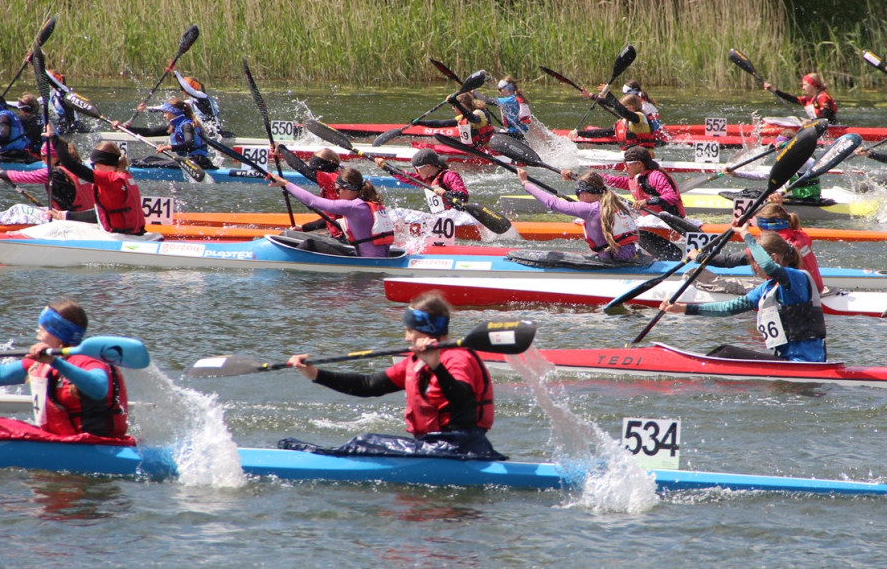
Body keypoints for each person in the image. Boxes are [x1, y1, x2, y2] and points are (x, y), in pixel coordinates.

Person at [281, 291, 504, 460]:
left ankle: (311, 457)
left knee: (364, 441)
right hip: (435, 446)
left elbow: (464, 399)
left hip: (462, 447)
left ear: (425, 330)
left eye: (410, 331)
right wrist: (315, 374)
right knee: (365, 441)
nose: (407, 338)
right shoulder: (417, 361)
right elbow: (369, 385)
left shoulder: (457, 358)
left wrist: (436, 366)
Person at [0, 299, 130, 438]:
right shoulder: (43, 360)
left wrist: (55, 362)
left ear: (57, 332)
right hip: (62, 439)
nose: (38, 329)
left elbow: (99, 388)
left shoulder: (89, 360)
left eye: (44, 326)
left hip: (94, 442)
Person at [660, 232, 827, 362]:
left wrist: (746, 234)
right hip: (786, 360)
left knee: (725, 353)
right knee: (723, 351)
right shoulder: (767, 289)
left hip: (805, 362)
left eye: (753, 261)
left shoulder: (797, 277)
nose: (751, 267)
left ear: (774, 258)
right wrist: (684, 308)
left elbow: (768, 266)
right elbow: (728, 308)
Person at [692, 203, 824, 294]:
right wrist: (779, 205)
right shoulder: (801, 234)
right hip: (816, 289)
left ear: (766, 227)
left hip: (793, 295)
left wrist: (697, 256)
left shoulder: (771, 245)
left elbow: (729, 261)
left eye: (759, 227)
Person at [517, 168, 640, 262]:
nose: (577, 197)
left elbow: (553, 203)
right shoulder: (614, 202)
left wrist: (525, 183)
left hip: (612, 259)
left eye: (579, 192)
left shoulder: (590, 208)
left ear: (587, 192)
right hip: (629, 252)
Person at [268, 166, 394, 258]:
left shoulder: (353, 206)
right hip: (376, 258)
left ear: (350, 189)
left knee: (309, 244)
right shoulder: (371, 204)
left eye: (338, 190)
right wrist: (305, 227)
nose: (337, 195)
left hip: (366, 262)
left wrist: (285, 183)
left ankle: (284, 263)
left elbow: (312, 201)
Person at [51, 141, 147, 235]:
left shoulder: (110, 180)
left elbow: (71, 165)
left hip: (120, 235)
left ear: (104, 163)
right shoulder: (125, 175)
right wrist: (65, 215)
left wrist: (54, 138)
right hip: (135, 232)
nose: (94, 168)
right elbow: (99, 214)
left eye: (94, 165)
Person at [0, 135, 96, 214]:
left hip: (69, 220)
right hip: (88, 216)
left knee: (18, 209)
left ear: (55, 156)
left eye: (43, 156)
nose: (41, 159)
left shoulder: (53, 172)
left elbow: (19, 176)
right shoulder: (82, 168)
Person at [572, 146, 685, 218]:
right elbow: (611, 180)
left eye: (627, 165)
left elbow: (671, 197)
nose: (625, 169)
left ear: (639, 164)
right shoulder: (636, 179)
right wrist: (578, 176)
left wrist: (646, 201)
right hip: (652, 220)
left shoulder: (655, 176)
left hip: (670, 221)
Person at [121, 97, 216, 170]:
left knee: (140, 164)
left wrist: (168, 147)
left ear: (174, 112)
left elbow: (189, 143)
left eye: (166, 112)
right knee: (147, 159)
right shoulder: (175, 126)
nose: (164, 115)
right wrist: (125, 128)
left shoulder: (187, 125)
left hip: (198, 162)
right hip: (188, 161)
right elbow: (148, 132)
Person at [379, 148, 469, 214]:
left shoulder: (449, 176)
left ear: (428, 166)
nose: (416, 172)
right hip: (439, 217)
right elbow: (405, 176)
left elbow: (464, 195)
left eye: (417, 169)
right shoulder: (426, 178)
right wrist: (384, 165)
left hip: (456, 216)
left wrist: (447, 193)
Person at [575, 90, 656, 154]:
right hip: (630, 156)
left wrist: (609, 95)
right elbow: (602, 133)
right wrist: (579, 133)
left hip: (643, 157)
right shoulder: (623, 122)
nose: (618, 110)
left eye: (622, 107)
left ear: (631, 108)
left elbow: (623, 111)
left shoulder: (640, 117)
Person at [295, 148, 345, 238]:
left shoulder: (331, 180)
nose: (315, 173)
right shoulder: (337, 178)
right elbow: (329, 219)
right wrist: (304, 228)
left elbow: (300, 167)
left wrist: (280, 148)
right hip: (338, 234)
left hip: (344, 238)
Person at [420, 93, 494, 152]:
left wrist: (456, 102)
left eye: (454, 105)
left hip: (487, 150)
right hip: (475, 150)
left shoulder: (479, 113)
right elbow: (441, 123)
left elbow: (473, 119)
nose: (453, 108)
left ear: (462, 105)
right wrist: (419, 123)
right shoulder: (463, 117)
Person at [763, 73, 837, 124]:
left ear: (813, 85)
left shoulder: (822, 97)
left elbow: (826, 117)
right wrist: (774, 90)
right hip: (817, 124)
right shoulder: (809, 99)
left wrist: (811, 121)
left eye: (805, 85)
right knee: (792, 118)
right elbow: (792, 98)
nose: (803, 88)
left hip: (829, 127)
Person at [175, 72, 223, 138]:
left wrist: (176, 73)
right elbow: (170, 107)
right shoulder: (190, 100)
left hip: (214, 131)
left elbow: (188, 89)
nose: (181, 91)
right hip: (204, 131)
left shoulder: (201, 96)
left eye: (182, 89)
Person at [622, 80, 669, 144]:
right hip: (657, 135)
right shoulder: (648, 104)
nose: (625, 98)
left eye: (625, 95)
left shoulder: (641, 108)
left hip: (650, 138)